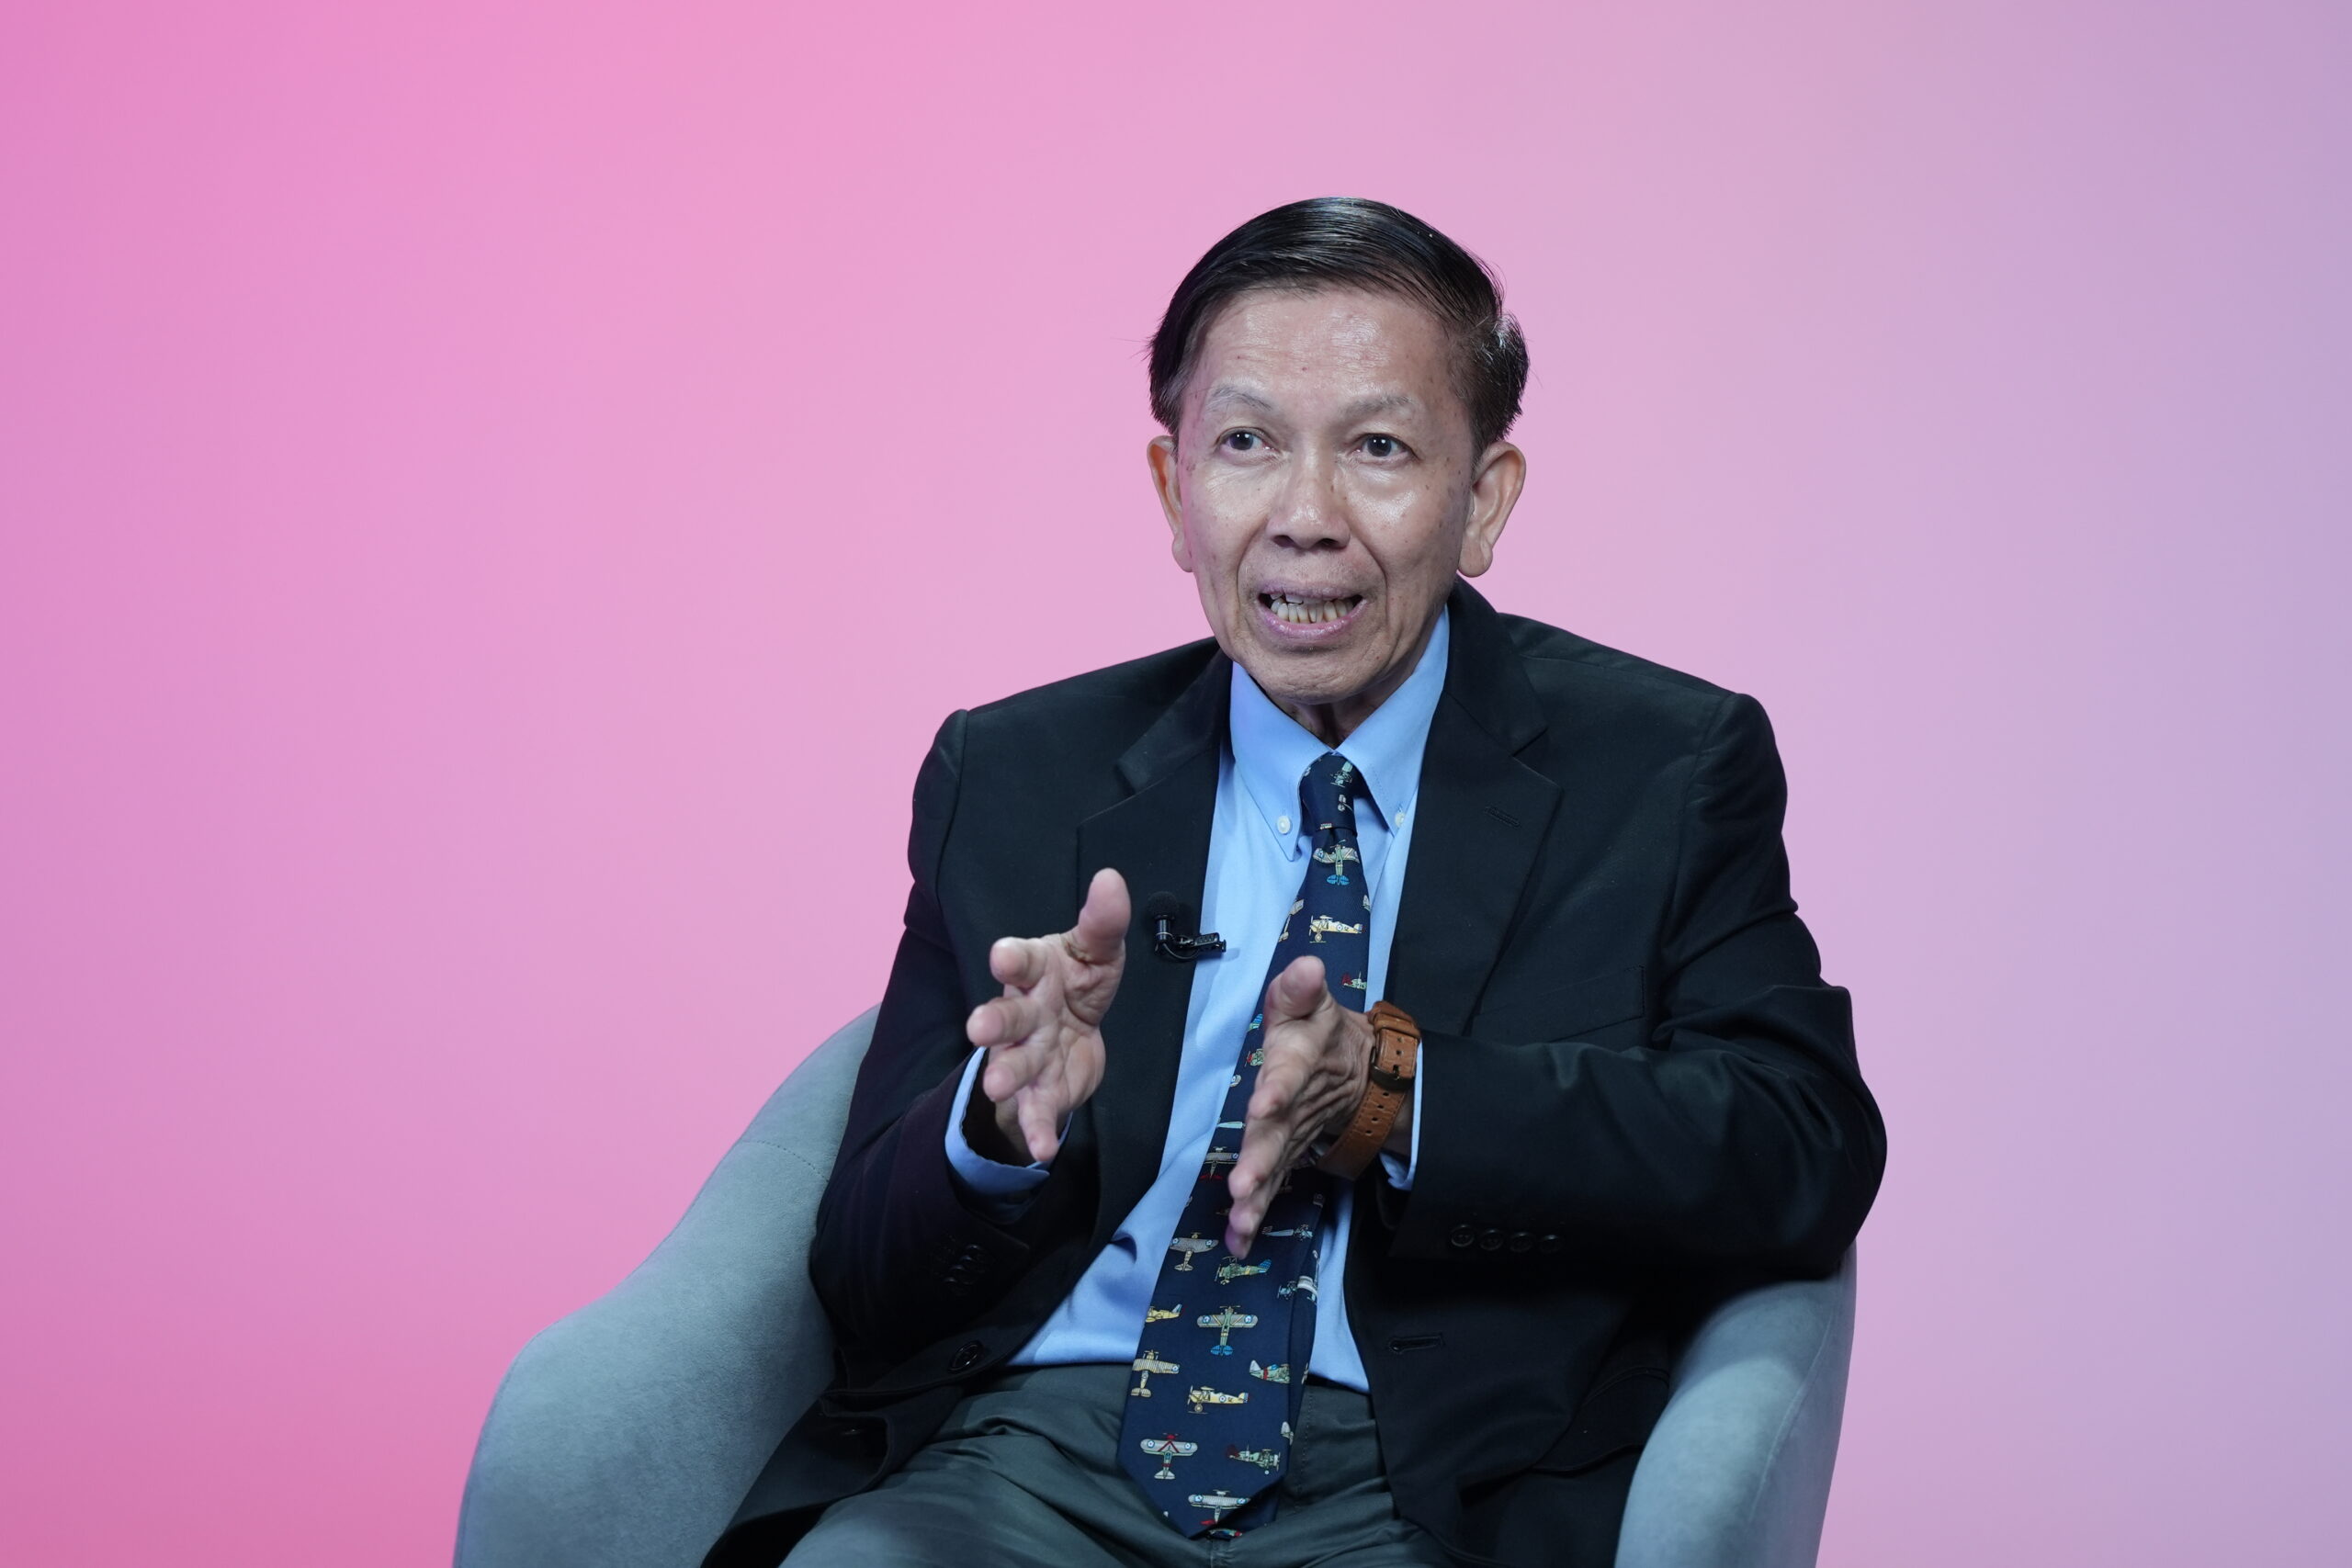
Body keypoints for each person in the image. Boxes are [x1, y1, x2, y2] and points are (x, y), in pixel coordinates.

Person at [704, 197, 1885, 1568]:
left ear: (1484, 499)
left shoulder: (1663, 767)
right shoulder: (1015, 773)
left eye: (1378, 448)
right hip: (1023, 1456)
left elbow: (1803, 1143)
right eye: (1247, 444)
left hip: (1435, 1474)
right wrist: (990, 1136)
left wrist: (1395, 1094)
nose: (1306, 519)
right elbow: (859, 1277)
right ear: (1175, 492)